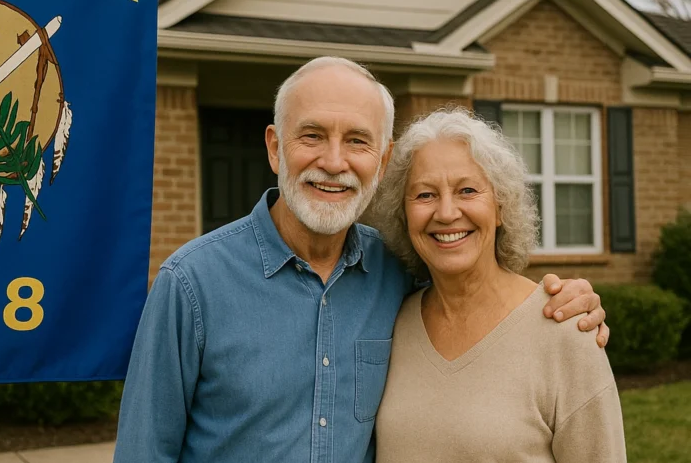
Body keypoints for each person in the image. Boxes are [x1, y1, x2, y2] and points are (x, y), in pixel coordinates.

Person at [112, 57, 609, 463]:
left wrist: (571, 302)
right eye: (311, 136)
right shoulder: (191, 285)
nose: (333, 161)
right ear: (274, 147)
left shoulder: (397, 272)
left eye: (356, 140)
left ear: (383, 159)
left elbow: (479, 287)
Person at [370, 107, 625, 462]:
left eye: (468, 190)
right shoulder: (389, 324)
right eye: (425, 195)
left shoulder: (565, 329)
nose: (445, 213)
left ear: (501, 205)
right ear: (404, 214)